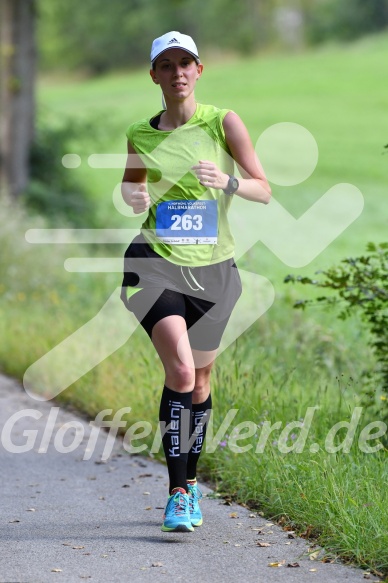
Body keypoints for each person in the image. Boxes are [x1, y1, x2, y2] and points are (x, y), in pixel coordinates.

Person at [121, 31, 271, 533]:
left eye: (186, 63)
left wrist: (226, 181)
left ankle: (190, 482)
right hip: (154, 265)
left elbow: (262, 189)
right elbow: (130, 184)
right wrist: (134, 199)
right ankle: (178, 493)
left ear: (199, 71)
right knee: (182, 372)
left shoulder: (222, 122)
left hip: (214, 271)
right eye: (167, 65)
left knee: (201, 381)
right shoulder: (140, 134)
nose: (178, 72)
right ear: (155, 75)